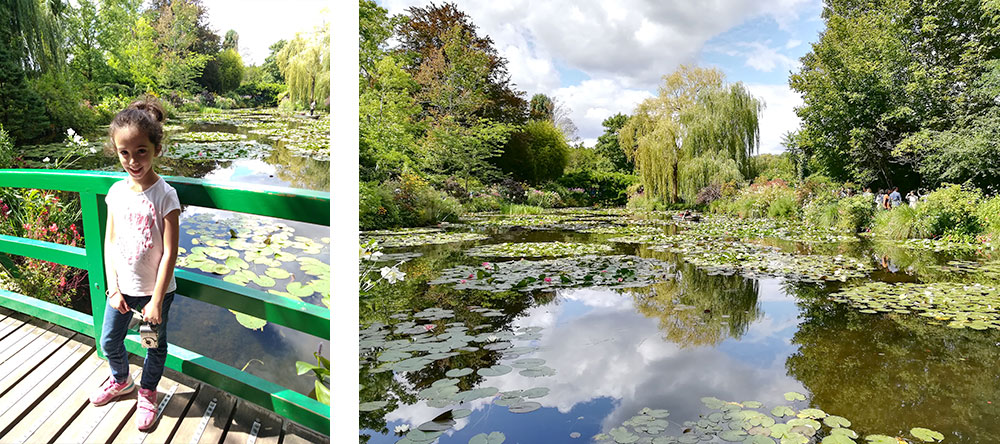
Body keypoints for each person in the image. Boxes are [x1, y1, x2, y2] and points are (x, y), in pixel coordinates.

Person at [88, 98, 181, 431]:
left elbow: (170, 252)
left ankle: (147, 392)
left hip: (152, 295)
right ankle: (121, 379)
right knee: (109, 341)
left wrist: (156, 300)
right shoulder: (116, 191)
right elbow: (110, 241)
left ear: (157, 148)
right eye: (124, 153)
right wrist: (112, 286)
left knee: (151, 346)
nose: (133, 161)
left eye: (141, 151)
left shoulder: (165, 195)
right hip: (122, 291)